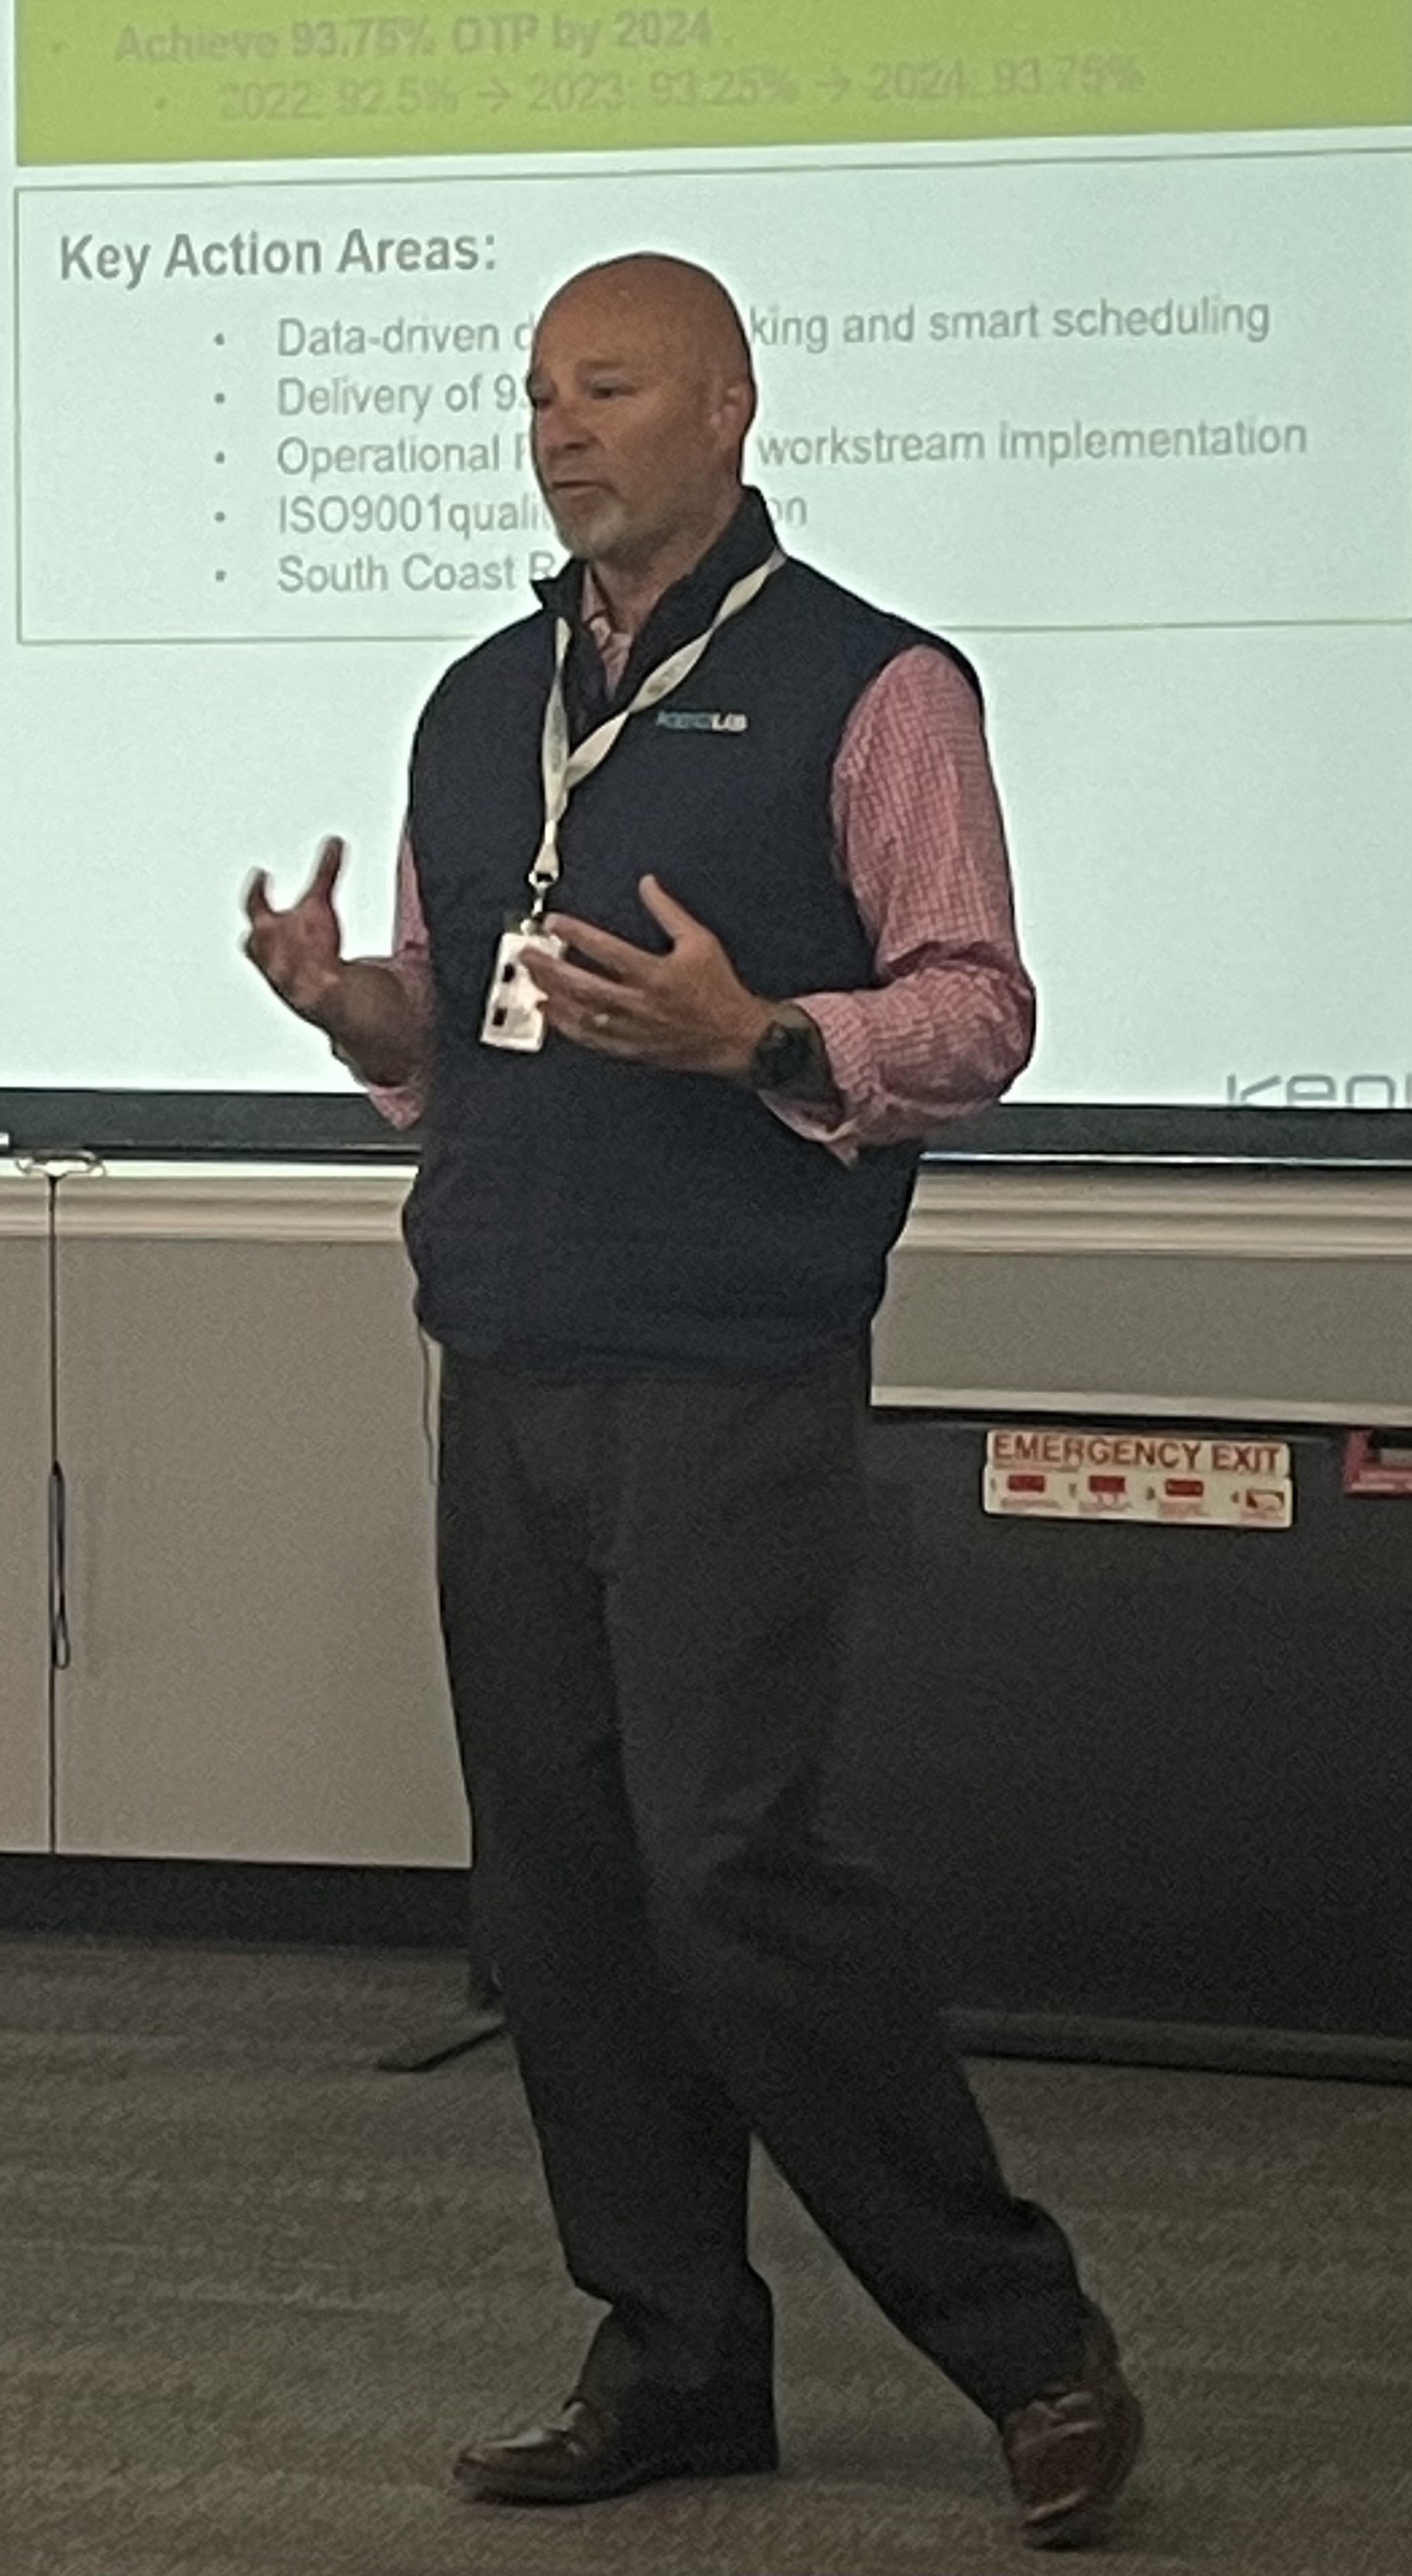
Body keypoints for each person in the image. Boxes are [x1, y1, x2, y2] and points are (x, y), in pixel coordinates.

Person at [243, 252, 1143, 2547]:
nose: (559, 429)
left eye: (609, 385)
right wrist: (356, 1009)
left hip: (731, 1362)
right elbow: (457, 1038)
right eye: (535, 393)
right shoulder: (475, 698)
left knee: (731, 1871)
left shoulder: (877, 685)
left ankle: (1024, 2341)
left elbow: (974, 1011)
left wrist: (761, 1039)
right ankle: (671, 2357)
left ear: (727, 408)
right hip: (509, 1355)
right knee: (556, 1902)